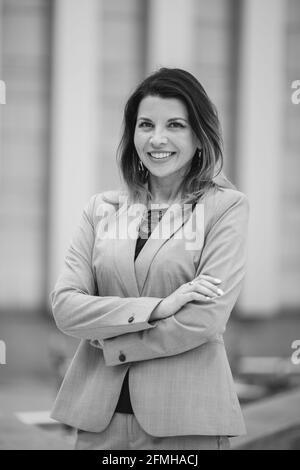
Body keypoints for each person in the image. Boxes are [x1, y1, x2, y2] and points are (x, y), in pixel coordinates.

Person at [50, 67, 249, 450]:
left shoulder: (225, 207)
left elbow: (205, 318)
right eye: (146, 125)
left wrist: (111, 340)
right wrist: (159, 307)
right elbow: (65, 307)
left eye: (175, 124)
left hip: (185, 420)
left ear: (199, 136)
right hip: (98, 420)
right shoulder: (102, 208)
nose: (158, 139)